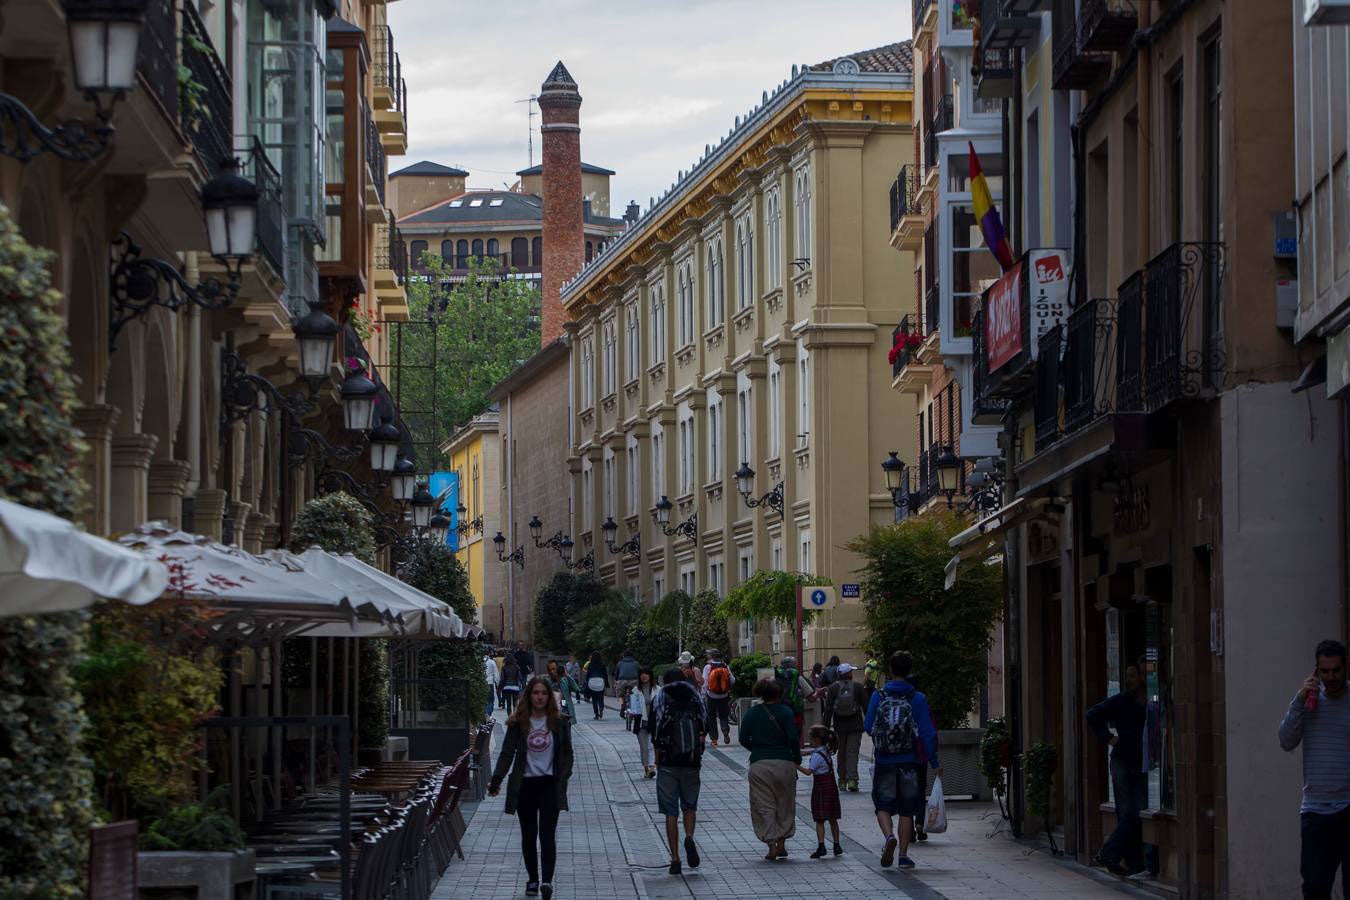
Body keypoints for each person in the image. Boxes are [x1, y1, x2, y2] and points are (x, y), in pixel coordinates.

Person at [488, 676, 574, 899]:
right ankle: (533, 879)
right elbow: (507, 752)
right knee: (528, 835)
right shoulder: (519, 723)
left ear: (549, 697)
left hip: (549, 785)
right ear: (529, 696)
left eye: (543, 693)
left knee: (547, 834)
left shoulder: (560, 722)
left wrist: (563, 777)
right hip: (525, 785)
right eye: (535, 693)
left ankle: (547, 881)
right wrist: (496, 780)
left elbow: (567, 753)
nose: (539, 697)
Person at [1279, 638, 1350, 900]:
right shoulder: (1307, 702)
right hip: (1317, 810)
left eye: (1336, 671)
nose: (1331, 677)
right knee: (1316, 887)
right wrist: (1299, 699)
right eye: (1325, 671)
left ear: (1346, 668)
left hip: (1348, 805)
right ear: (1316, 671)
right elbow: (1286, 741)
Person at [864, 650, 939, 870]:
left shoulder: (879, 696)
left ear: (890, 669)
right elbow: (928, 733)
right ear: (909, 671)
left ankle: (889, 837)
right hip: (910, 761)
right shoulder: (917, 698)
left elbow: (868, 726)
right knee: (907, 809)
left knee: (882, 804)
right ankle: (904, 856)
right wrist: (934, 761)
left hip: (885, 760)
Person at [1086, 660, 1148, 876]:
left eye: (1133, 675)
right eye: (1128, 676)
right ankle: (1111, 854)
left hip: (1141, 763)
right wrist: (1110, 739)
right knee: (1130, 812)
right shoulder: (1123, 700)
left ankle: (1132, 862)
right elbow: (1092, 714)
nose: (1129, 680)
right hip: (1122, 761)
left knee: (1137, 813)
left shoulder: (1151, 701)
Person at [650, 666, 706, 874]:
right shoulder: (694, 695)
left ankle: (675, 858)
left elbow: (654, 728)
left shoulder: (661, 696)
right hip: (691, 761)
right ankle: (689, 837)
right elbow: (705, 724)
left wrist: (657, 756)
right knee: (689, 806)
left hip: (668, 762)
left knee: (670, 811)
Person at [738, 677, 801, 861]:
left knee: (764, 805)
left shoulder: (752, 713)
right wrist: (795, 758)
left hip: (759, 766)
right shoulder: (786, 712)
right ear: (779, 694)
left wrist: (757, 750)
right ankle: (782, 842)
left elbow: (743, 738)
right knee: (785, 803)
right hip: (784, 764)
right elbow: (793, 738)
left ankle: (771, 845)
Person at [797, 724, 843, 859]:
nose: (809, 740)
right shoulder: (826, 750)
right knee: (833, 818)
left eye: (810, 738)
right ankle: (836, 845)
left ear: (816, 740)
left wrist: (795, 765)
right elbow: (814, 751)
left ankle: (821, 845)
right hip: (831, 787)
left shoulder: (817, 756)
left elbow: (808, 772)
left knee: (820, 819)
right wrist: (805, 752)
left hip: (821, 788)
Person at [825, 662, 865, 792]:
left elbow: (828, 710)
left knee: (841, 753)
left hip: (839, 725)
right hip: (855, 725)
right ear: (848, 674)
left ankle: (842, 781)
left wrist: (825, 728)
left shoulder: (832, 688)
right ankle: (852, 780)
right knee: (852, 752)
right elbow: (867, 706)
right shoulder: (858, 687)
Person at [625, 666, 657, 778]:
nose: (644, 676)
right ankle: (646, 768)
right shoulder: (635, 690)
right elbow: (631, 706)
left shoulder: (657, 689)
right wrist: (630, 712)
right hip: (640, 721)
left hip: (654, 722)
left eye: (646, 674)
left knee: (652, 745)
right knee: (643, 746)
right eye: (642, 674)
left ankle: (652, 767)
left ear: (650, 676)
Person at [775, 655, 813, 740]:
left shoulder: (776, 676)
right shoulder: (797, 677)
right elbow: (810, 696)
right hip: (795, 713)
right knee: (795, 737)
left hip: (778, 712)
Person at [704, 651, 733, 748]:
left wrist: (704, 694)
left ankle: (714, 740)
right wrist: (727, 689)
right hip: (724, 696)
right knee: (724, 715)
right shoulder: (725, 666)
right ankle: (725, 729)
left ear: (711, 656)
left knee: (711, 717)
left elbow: (705, 682)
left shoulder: (708, 667)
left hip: (711, 696)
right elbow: (733, 680)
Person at [584, 651, 609, 719]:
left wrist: (587, 682)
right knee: (601, 698)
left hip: (592, 683)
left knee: (594, 699)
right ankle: (601, 708)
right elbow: (605, 674)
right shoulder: (602, 664)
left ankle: (596, 714)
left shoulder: (590, 665)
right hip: (601, 682)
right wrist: (606, 684)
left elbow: (588, 675)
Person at [483, 647, 500, 722]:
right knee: (490, 701)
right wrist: (497, 684)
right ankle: (488, 714)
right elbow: (496, 675)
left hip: (481, 683)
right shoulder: (492, 662)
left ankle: (483, 714)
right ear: (489, 654)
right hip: (489, 683)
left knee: (483, 700)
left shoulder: (478, 661)